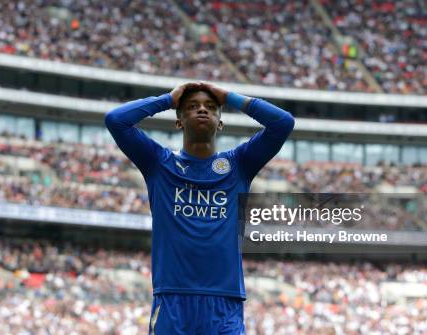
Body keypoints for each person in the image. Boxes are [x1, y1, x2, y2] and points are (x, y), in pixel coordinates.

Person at [105, 82, 295, 334]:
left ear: (220, 122)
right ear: (179, 122)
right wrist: (167, 100)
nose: (202, 110)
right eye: (192, 107)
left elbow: (283, 123)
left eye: (211, 107)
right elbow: (115, 120)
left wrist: (229, 97)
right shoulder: (159, 163)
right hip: (173, 299)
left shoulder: (239, 164)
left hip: (225, 303)